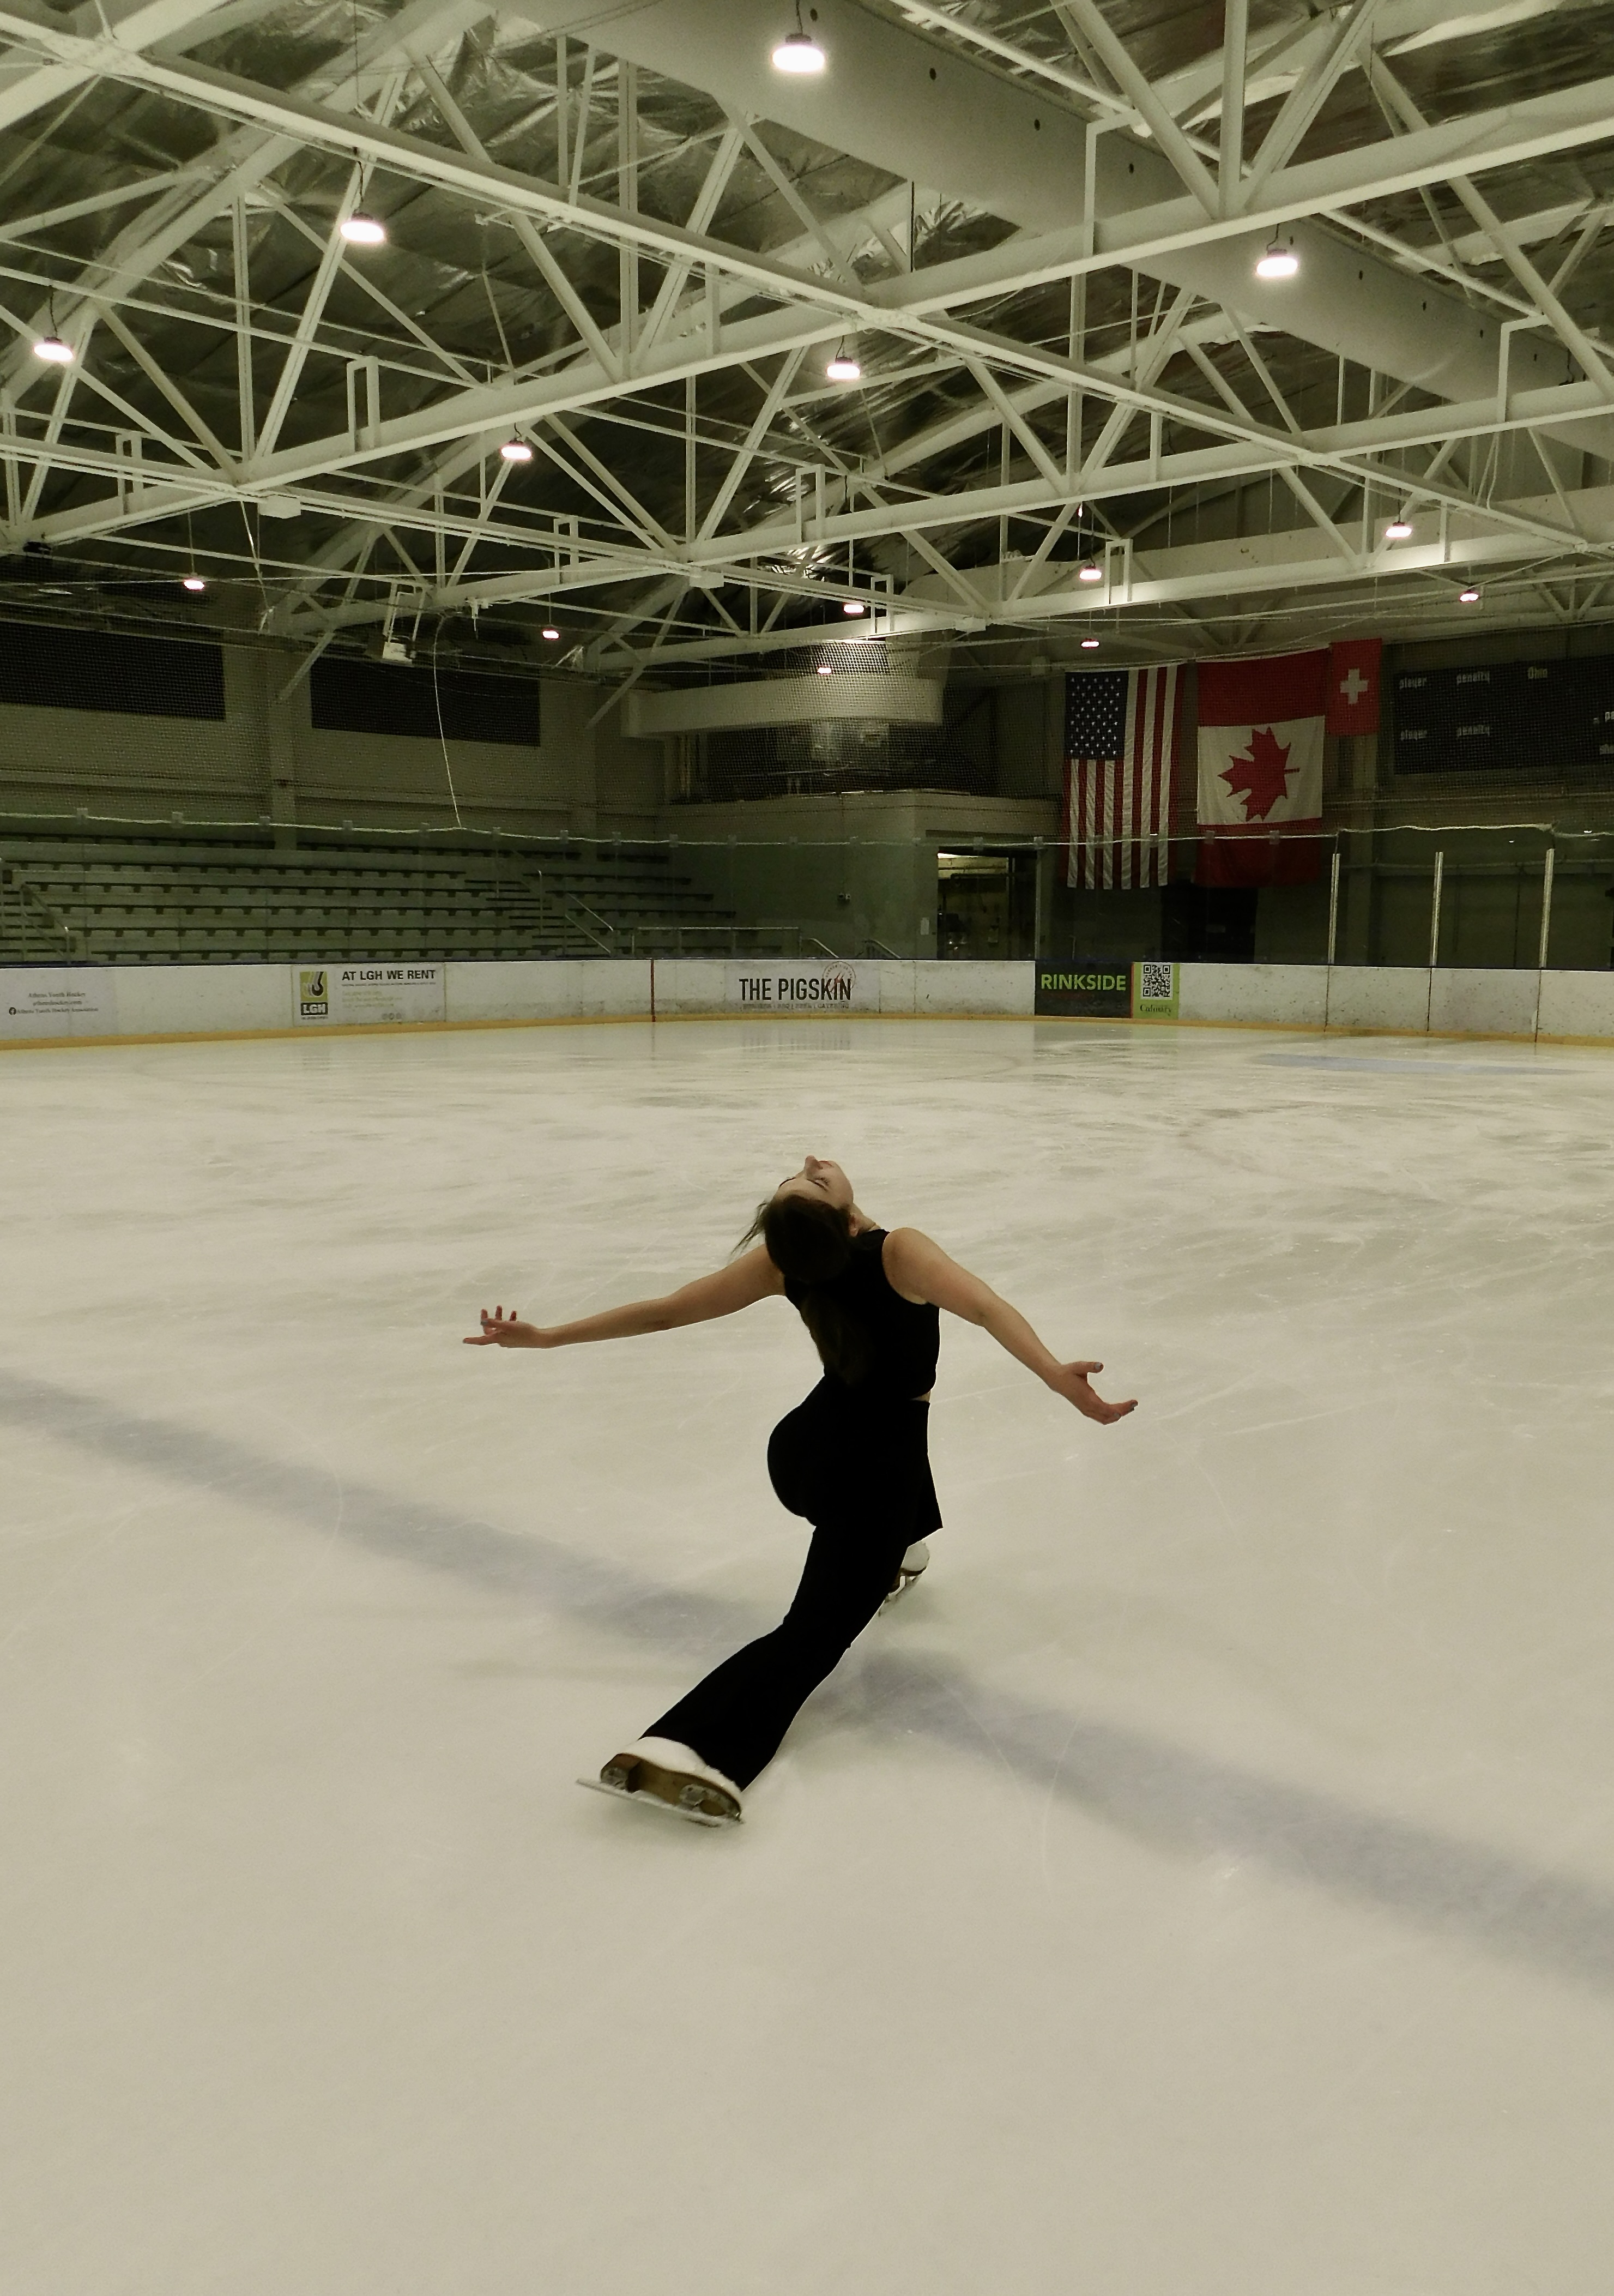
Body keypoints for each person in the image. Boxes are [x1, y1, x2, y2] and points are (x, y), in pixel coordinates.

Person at [466, 1154, 1136, 1826]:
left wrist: (548, 1337)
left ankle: (899, 1551)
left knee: (897, 1504)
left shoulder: (782, 1261)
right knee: (813, 1632)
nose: (815, 1161)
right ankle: (686, 1748)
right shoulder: (899, 1251)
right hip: (870, 1472)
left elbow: (667, 1314)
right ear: (847, 1221)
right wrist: (1056, 1376)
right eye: (812, 1181)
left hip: (804, 1451)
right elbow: (986, 1308)